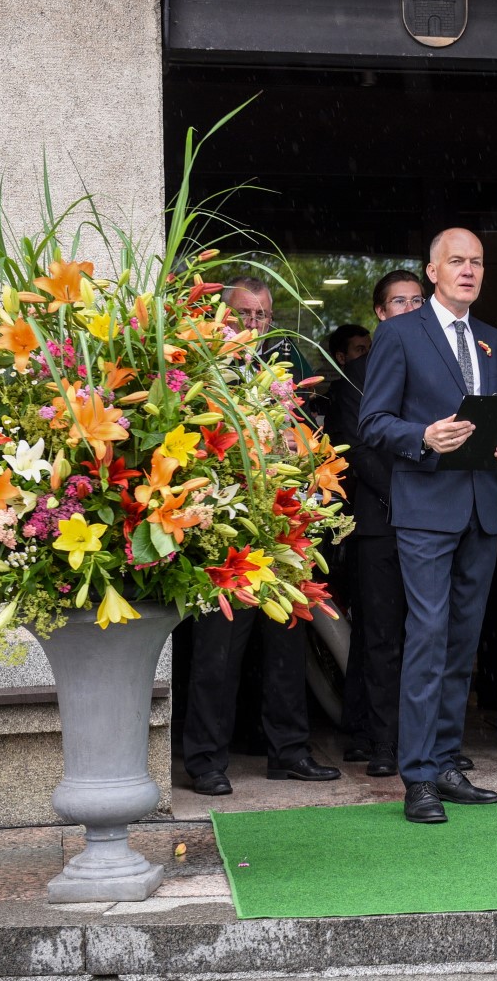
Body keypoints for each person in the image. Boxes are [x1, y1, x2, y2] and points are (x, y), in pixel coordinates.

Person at [359, 228, 497, 824]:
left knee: (462, 640)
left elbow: (495, 420)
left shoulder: (493, 340)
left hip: (484, 504)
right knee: (428, 637)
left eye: (477, 261)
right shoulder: (400, 333)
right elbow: (373, 422)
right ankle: (419, 776)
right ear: (432, 271)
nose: (468, 270)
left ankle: (448, 761)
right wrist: (423, 437)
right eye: (457, 261)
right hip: (426, 508)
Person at [181, 277, 338, 796]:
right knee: (218, 651)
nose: (253, 324)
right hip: (225, 526)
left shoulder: (285, 368)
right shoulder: (201, 367)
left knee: (286, 644)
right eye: (243, 315)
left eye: (262, 316)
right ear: (221, 317)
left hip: (282, 522)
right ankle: (205, 761)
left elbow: (309, 436)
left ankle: (289, 752)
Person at [324, 270, 426, 778]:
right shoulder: (353, 376)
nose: (410, 309)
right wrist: (410, 496)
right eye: (399, 302)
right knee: (381, 635)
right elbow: (356, 449)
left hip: (437, 521)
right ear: (381, 314)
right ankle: (382, 741)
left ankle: (428, 740)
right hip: (382, 521)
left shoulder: (440, 363)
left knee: (430, 632)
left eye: (418, 300)